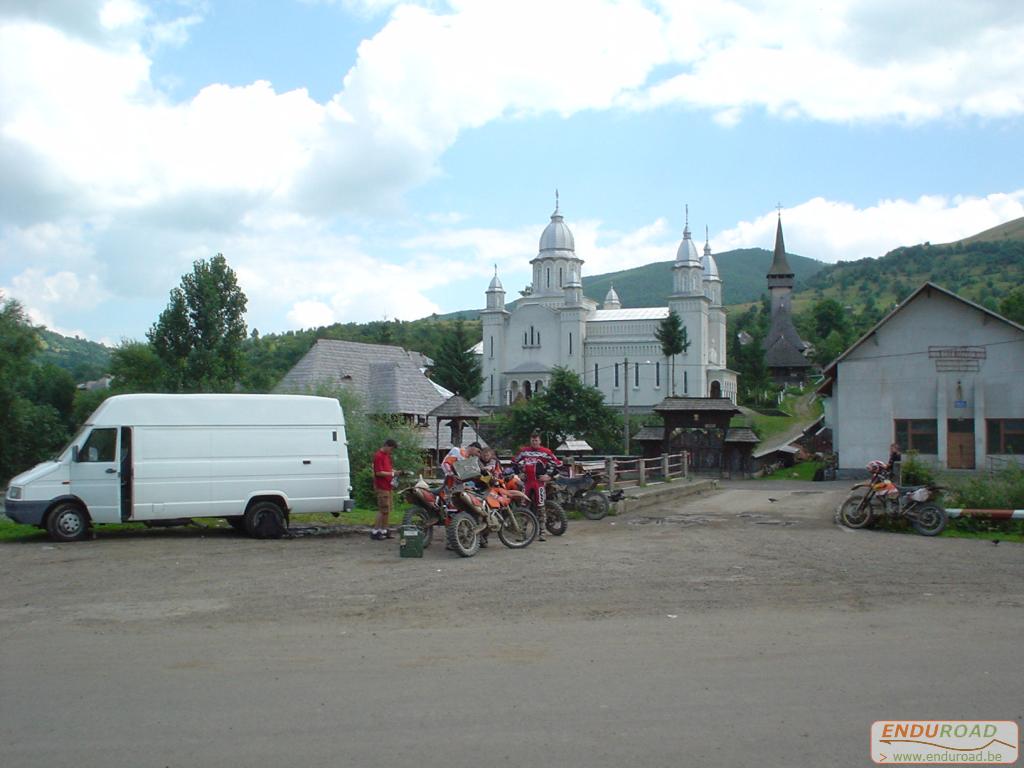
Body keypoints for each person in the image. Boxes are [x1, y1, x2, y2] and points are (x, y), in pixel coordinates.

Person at [513, 431, 562, 541]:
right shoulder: (524, 451)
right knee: (524, 507)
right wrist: (519, 473)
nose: (534, 442)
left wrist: (549, 476)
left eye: (536, 440)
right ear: (530, 440)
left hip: (539, 483)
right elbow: (514, 462)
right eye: (532, 440)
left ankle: (542, 532)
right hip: (527, 483)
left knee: (541, 507)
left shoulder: (546, 452)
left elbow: (558, 464)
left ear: (540, 441)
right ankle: (522, 532)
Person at [371, 438, 399, 540]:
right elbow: (378, 472)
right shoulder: (378, 456)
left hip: (388, 486)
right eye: (391, 449)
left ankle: (384, 530)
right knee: (382, 509)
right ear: (386, 446)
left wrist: (394, 471)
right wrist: (392, 473)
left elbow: (386, 469)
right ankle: (375, 531)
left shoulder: (386, 456)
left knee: (387, 510)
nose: (391, 451)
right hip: (382, 486)